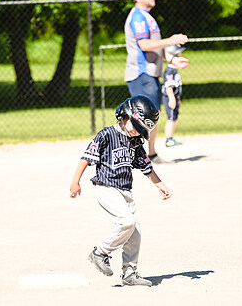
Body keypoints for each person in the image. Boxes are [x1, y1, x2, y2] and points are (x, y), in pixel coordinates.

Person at [69, 95, 171, 286]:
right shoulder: (106, 135)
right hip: (106, 187)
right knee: (127, 221)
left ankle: (129, 273)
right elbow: (86, 158)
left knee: (135, 231)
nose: (138, 132)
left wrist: (160, 185)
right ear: (125, 116)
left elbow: (146, 167)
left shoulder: (135, 141)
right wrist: (75, 182)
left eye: (142, 131)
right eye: (137, 127)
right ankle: (100, 252)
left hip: (125, 191)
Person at [124, 0, 189, 162]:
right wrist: (171, 40)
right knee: (141, 117)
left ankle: (150, 154)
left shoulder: (147, 17)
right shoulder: (138, 17)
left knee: (151, 116)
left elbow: (154, 48)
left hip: (150, 74)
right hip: (141, 73)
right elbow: (144, 45)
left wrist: (173, 59)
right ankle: (133, 155)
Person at [162, 44, 185, 147]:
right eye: (178, 53)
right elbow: (169, 87)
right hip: (169, 97)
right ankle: (168, 139)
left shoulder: (174, 69)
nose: (180, 55)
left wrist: (177, 98)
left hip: (174, 97)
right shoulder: (170, 71)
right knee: (171, 117)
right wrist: (172, 99)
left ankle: (171, 137)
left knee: (174, 117)